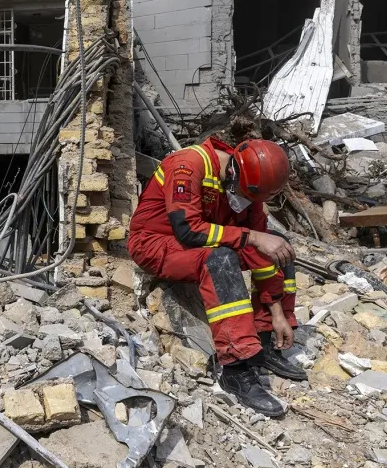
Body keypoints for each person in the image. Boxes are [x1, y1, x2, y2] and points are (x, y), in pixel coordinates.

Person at [127, 137, 304, 417]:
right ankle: (236, 367)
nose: (246, 204)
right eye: (245, 196)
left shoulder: (247, 186)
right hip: (156, 243)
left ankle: (266, 338)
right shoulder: (188, 165)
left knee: (278, 246)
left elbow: (260, 249)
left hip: (202, 241)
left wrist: (276, 312)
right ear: (231, 172)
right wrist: (252, 237)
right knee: (222, 258)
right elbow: (188, 230)